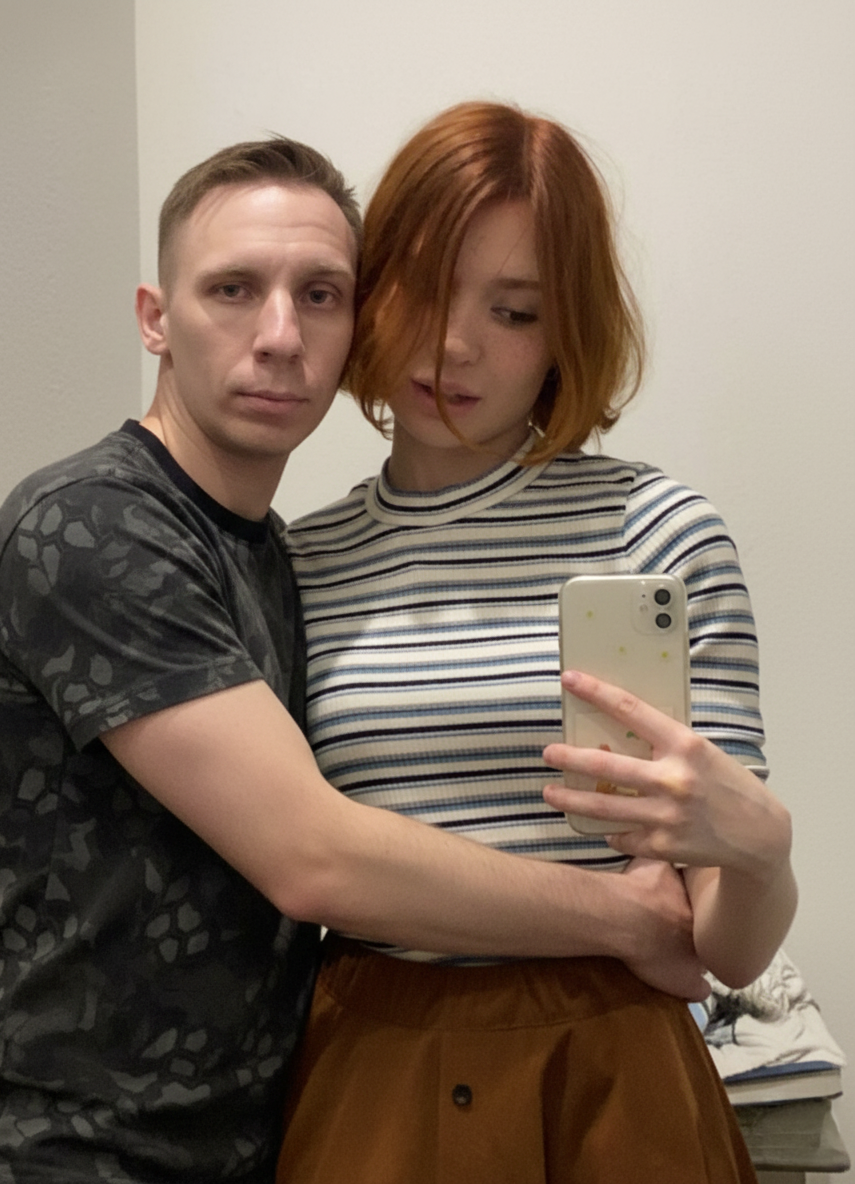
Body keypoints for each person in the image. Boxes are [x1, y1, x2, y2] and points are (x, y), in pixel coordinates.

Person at [0, 134, 726, 1182]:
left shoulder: (273, 551)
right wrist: (624, 918)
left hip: (269, 1124)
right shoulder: (93, 525)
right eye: (233, 289)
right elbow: (314, 857)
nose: (280, 336)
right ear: (156, 317)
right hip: (87, 1147)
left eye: (321, 295)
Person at [277, 101, 797, 1183]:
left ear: (567, 335)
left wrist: (760, 850)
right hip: (373, 1055)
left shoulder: (659, 531)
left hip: (615, 1069)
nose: (455, 344)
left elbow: (724, 947)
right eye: (426, 289)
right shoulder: (297, 563)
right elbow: (300, 858)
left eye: (515, 311)